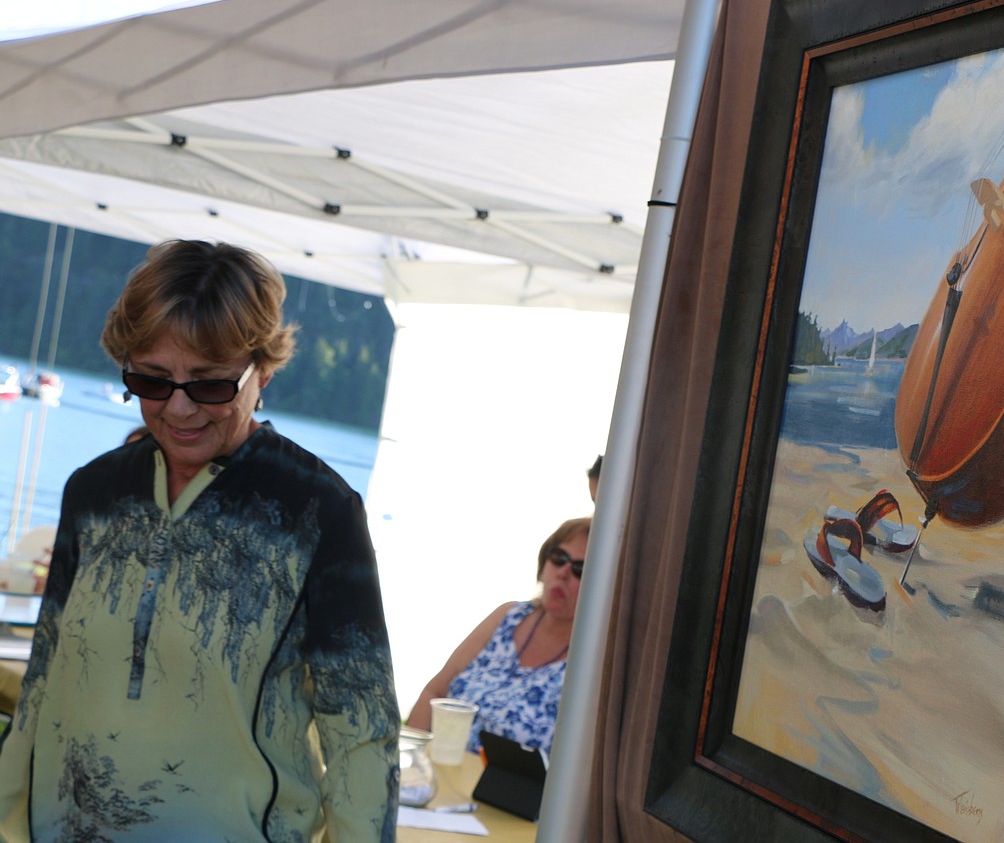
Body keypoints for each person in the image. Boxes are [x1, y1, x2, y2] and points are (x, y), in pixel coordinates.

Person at [0, 240, 399, 842]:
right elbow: (45, 678)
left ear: (261, 371)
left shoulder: (319, 510)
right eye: (152, 381)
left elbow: (361, 726)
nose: (179, 408)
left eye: (210, 384)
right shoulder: (95, 491)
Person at [406, 517, 590, 755]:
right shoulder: (509, 615)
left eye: (580, 569)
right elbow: (434, 693)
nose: (563, 573)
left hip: (503, 791)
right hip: (437, 776)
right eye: (559, 558)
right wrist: (409, 764)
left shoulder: (591, 658)